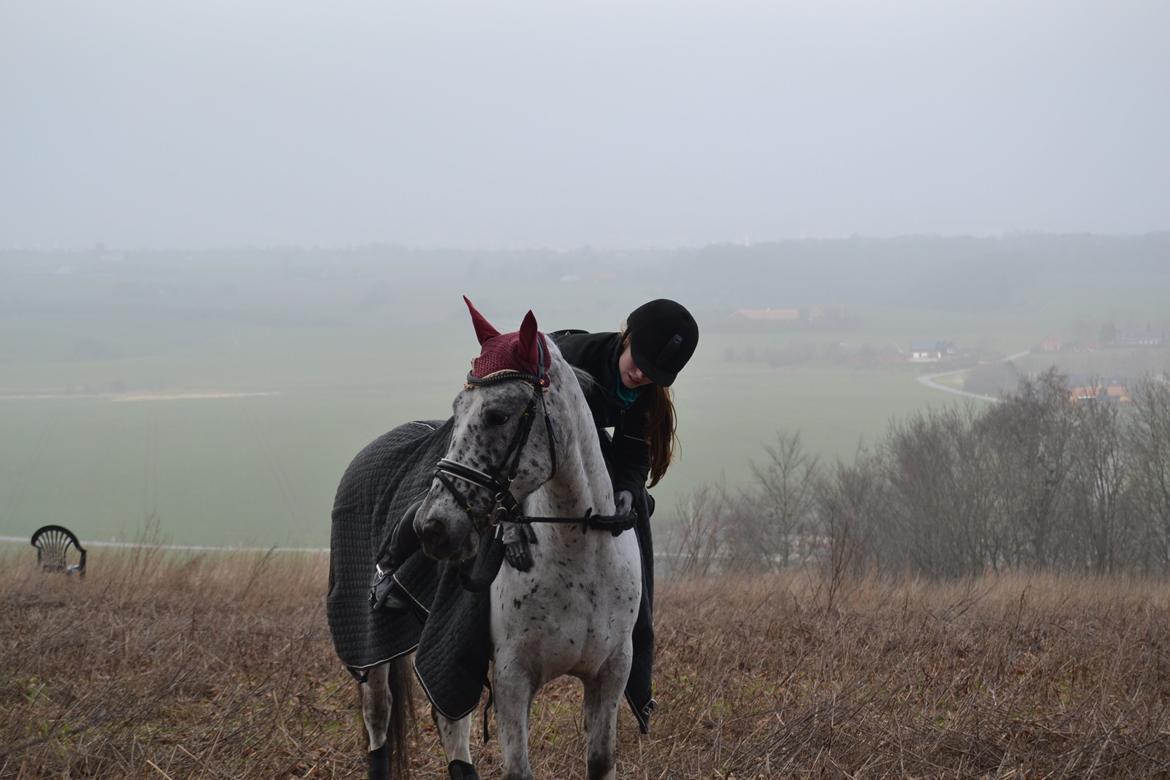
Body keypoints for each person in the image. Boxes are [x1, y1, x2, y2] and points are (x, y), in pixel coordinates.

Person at [547, 298, 699, 732]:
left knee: (639, 512)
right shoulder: (575, 361)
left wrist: (629, 492)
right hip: (538, 436)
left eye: (653, 373)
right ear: (626, 337)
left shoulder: (645, 391)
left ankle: (636, 653)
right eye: (639, 362)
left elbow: (633, 453)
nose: (641, 375)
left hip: (588, 444)